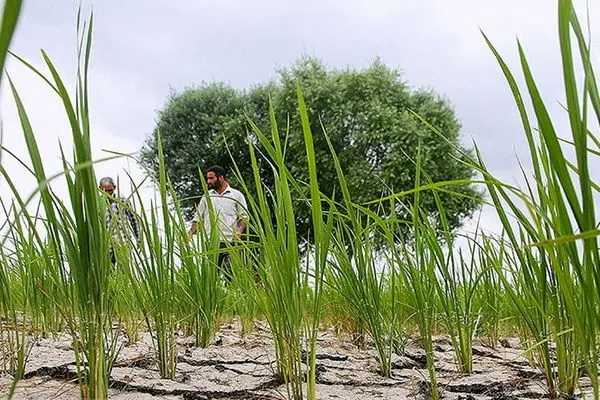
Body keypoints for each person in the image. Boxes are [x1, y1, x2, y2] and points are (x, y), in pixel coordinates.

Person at [188, 165, 248, 280]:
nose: (208, 181)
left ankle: (232, 296)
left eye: (211, 178)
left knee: (231, 274)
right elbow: (198, 218)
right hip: (211, 242)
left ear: (221, 178)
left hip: (230, 242)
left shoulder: (236, 195)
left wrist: (239, 231)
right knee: (210, 277)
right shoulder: (207, 196)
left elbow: (243, 217)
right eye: (208, 178)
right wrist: (190, 233)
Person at [99, 176, 140, 263]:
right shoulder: (98, 203)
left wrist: (138, 238)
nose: (108, 194)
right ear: (100, 189)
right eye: (104, 191)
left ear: (114, 187)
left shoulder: (122, 200)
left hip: (123, 242)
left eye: (110, 190)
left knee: (124, 270)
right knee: (110, 272)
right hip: (106, 245)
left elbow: (133, 220)